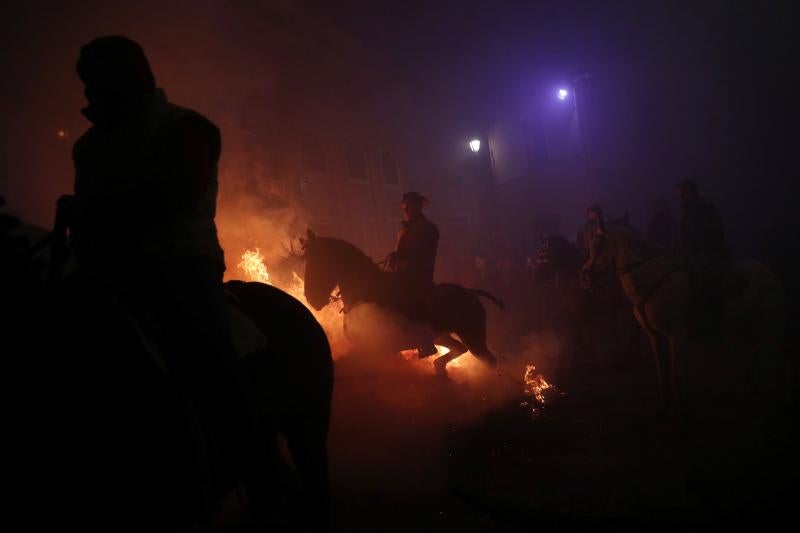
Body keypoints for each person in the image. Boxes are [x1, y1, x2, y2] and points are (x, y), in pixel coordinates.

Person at [61, 36, 264, 515]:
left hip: (179, 259)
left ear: (129, 77)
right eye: (86, 84)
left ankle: (258, 469)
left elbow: (175, 199)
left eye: (97, 81)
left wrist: (102, 214)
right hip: (106, 266)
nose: (89, 94)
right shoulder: (89, 146)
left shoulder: (187, 129)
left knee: (207, 352)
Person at [387, 191, 439, 357]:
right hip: (402, 273)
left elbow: (425, 253)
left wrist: (401, 256)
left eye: (409, 206)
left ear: (417, 207)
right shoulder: (404, 228)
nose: (406, 209)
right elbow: (400, 251)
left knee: (408, 302)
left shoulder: (429, 228)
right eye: (405, 206)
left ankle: (426, 343)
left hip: (419, 276)